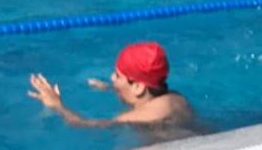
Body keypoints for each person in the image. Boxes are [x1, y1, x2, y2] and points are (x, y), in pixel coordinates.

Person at [30, 41, 191, 127]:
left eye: (117, 76)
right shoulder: (176, 98)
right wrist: (110, 88)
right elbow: (141, 93)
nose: (111, 77)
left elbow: (83, 125)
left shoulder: (134, 118)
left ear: (138, 87)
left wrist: (57, 105)